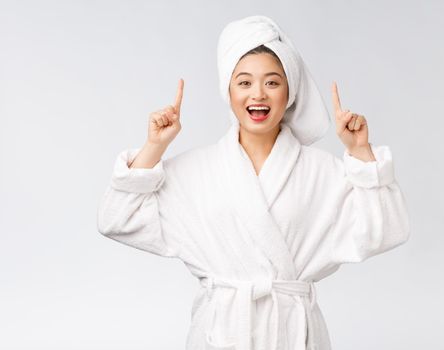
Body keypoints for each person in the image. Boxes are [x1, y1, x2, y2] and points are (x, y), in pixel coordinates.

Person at [97, 15, 410, 350]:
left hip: (293, 334)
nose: (257, 94)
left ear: (289, 92)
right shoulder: (196, 170)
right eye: (244, 82)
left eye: (272, 83)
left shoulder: (323, 172)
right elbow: (117, 220)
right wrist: (154, 147)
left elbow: (386, 230)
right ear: (228, 91)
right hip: (219, 334)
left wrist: (361, 152)